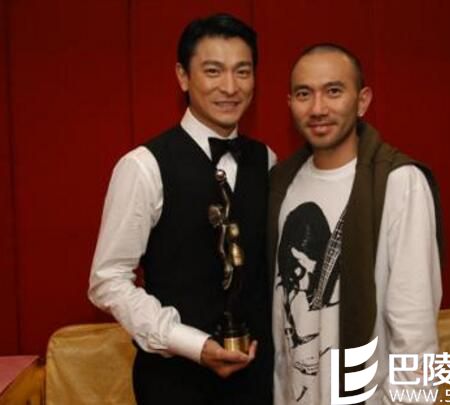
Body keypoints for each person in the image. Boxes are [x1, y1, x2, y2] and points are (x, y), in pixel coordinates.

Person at [89, 13, 275, 405]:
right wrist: (192, 344)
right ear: (183, 77)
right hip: (173, 385)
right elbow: (108, 280)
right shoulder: (143, 166)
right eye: (213, 71)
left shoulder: (267, 160)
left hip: (258, 382)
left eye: (242, 71)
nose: (230, 87)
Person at [269, 44, 443, 404]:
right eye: (304, 94)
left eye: (333, 91)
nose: (318, 108)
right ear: (290, 103)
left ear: (362, 101)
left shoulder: (398, 183)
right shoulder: (281, 184)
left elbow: (415, 332)